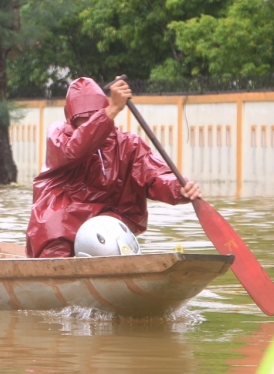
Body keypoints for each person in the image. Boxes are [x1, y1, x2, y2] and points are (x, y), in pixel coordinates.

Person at [25, 77, 201, 258]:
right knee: (55, 231)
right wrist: (112, 109)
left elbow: (154, 177)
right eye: (82, 120)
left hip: (109, 223)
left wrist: (180, 188)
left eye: (94, 117)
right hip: (61, 223)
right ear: (71, 119)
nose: (89, 123)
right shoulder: (59, 135)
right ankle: (55, 275)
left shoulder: (127, 144)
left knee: (113, 236)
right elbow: (74, 149)